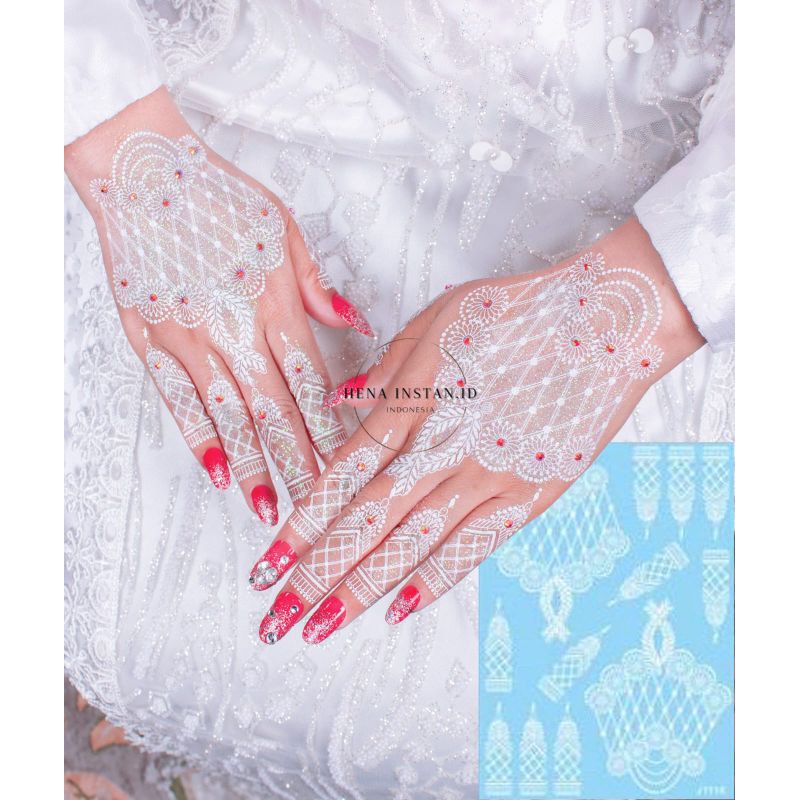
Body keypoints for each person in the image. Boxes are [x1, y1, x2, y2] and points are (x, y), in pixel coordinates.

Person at [64, 1, 733, 795]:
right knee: (150, 623)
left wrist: (639, 305)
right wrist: (122, 143)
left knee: (606, 738)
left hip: (684, 201)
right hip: (222, 123)